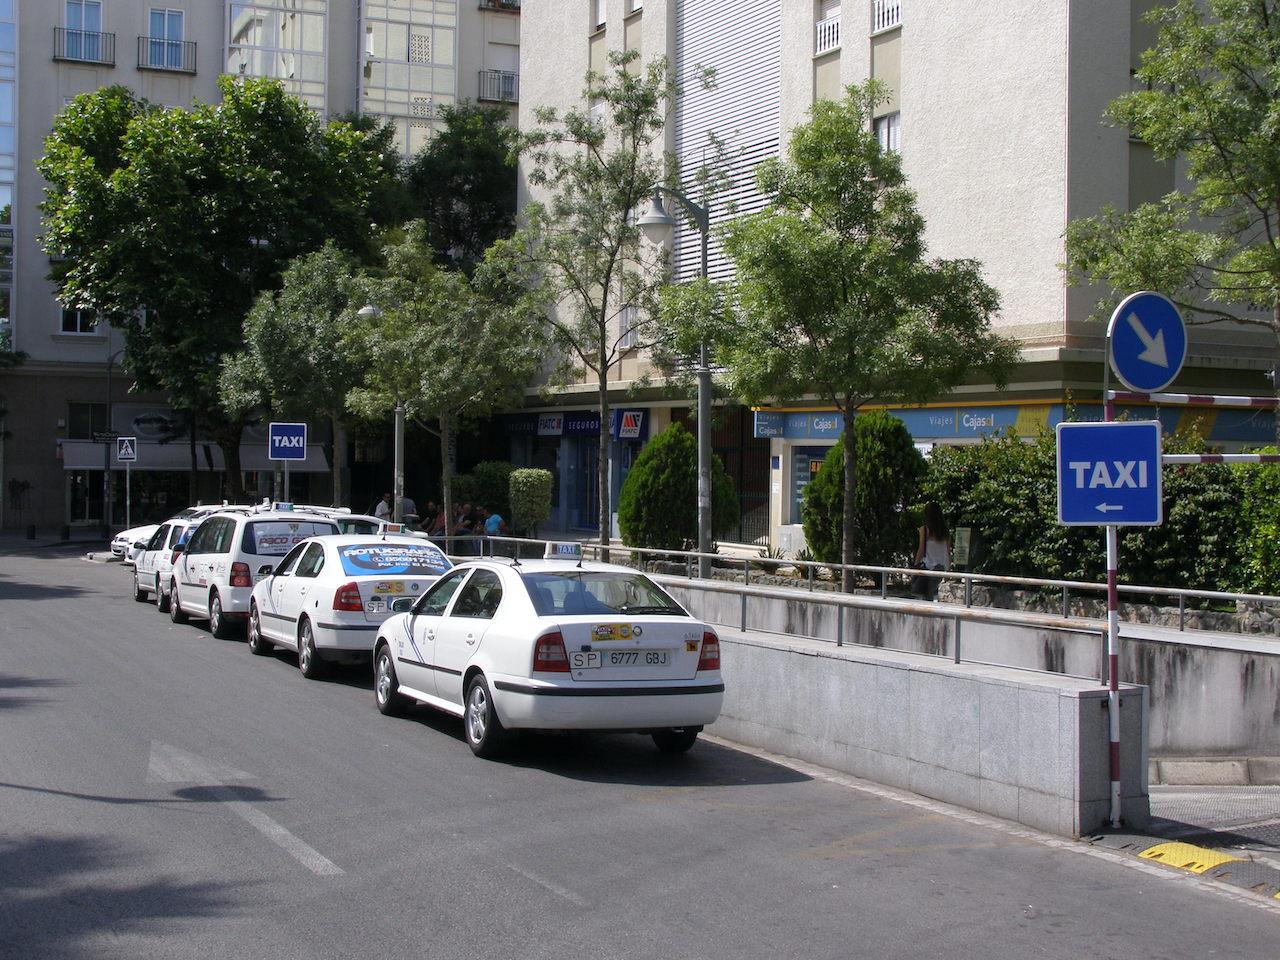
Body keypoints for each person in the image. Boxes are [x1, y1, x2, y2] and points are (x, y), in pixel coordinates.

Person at [913, 501, 951, 600]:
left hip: (928, 568)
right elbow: (947, 551)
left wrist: (915, 566)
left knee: (923, 597)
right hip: (941, 568)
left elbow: (921, 549)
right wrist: (948, 569)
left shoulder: (924, 530)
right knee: (935, 597)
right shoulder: (944, 531)